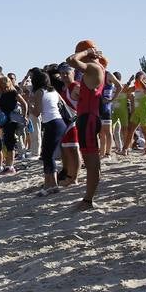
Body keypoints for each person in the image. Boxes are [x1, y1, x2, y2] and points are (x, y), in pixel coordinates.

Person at [65, 44, 107, 210]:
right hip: (89, 117)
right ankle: (88, 199)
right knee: (92, 161)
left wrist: (86, 52)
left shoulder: (92, 67)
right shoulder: (97, 68)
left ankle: (88, 200)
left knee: (91, 162)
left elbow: (70, 60)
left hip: (88, 118)